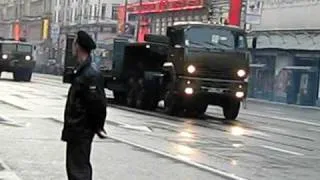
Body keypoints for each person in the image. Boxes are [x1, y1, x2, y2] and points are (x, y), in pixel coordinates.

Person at [61, 30, 107, 180]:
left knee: (79, 171)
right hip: (77, 129)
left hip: (81, 129)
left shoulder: (90, 74)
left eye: (74, 43)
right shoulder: (82, 70)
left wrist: (97, 127)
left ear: (79, 47)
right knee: (75, 169)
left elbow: (98, 105)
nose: (73, 46)